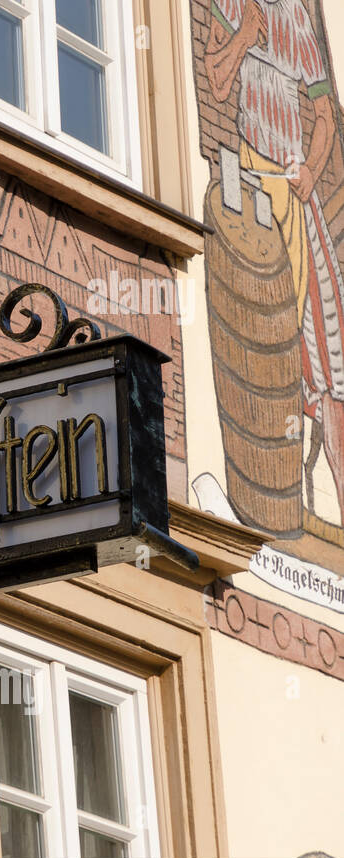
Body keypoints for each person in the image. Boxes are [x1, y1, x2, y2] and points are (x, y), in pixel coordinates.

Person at [206, 0, 344, 513]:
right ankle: (275, 493)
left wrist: (311, 167)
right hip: (247, 176)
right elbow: (218, 84)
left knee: (315, 340)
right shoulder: (233, 4)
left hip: (293, 187)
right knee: (267, 327)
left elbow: (325, 116)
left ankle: (324, 496)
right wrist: (243, 35)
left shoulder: (300, 22)